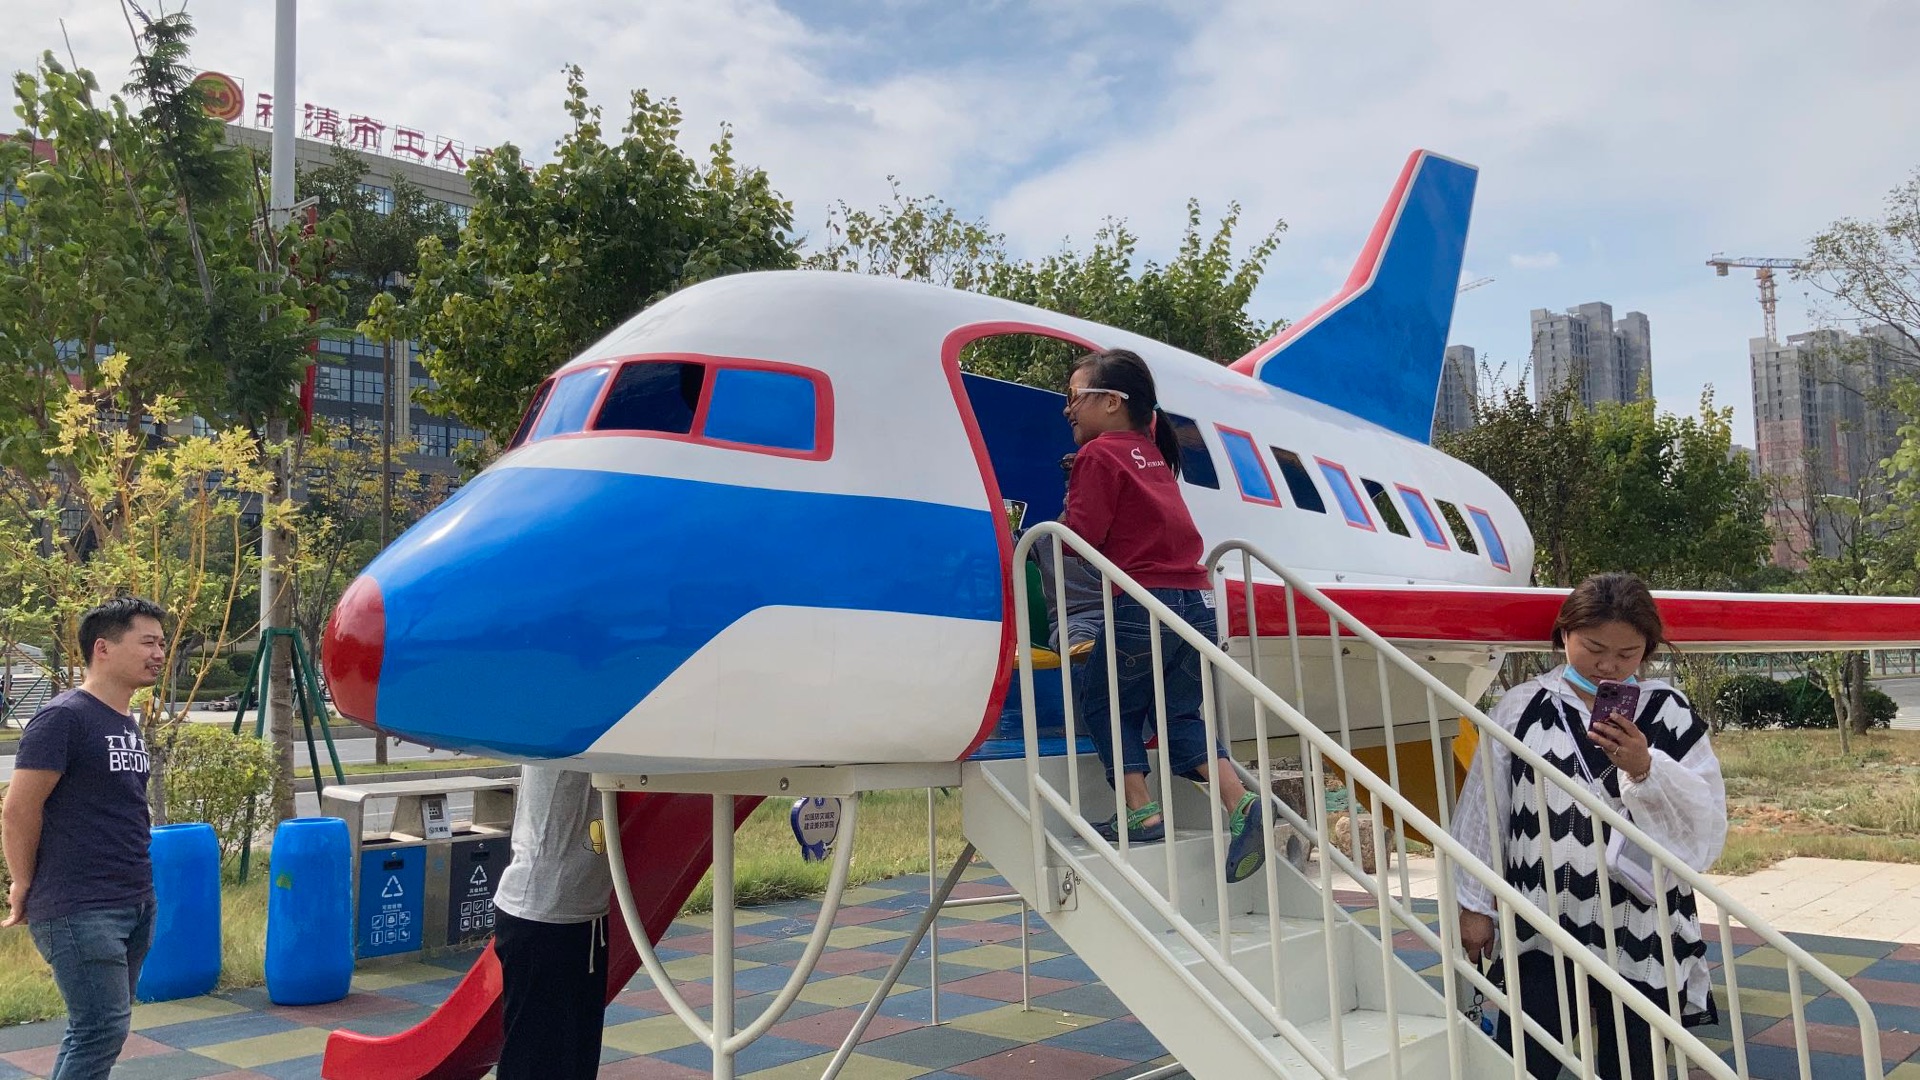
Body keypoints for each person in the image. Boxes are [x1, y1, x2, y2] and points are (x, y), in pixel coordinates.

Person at [1450, 572, 1725, 1080]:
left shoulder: (1669, 712)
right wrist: (1475, 905)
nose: (1608, 665)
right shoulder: (1523, 707)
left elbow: (1705, 819)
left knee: (1635, 1063)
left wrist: (1645, 767)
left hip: (1642, 925)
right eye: (1594, 648)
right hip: (1541, 922)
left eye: (1627, 653)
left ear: (1647, 650)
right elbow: (1485, 811)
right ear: (1564, 634)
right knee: (1525, 1058)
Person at [1060, 348, 1265, 883]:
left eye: (1074, 396)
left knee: (1105, 700)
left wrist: (1056, 522)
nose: (1068, 408)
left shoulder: (1098, 455)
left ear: (1111, 402)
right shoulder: (1150, 454)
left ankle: (1141, 810)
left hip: (1145, 601)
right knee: (1180, 716)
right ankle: (1240, 802)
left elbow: (1082, 537)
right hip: (1196, 602)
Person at [2, 597, 167, 1080]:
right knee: (99, 1029)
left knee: (102, 1029)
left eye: (162, 643)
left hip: (134, 899)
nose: (159, 654)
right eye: (147, 642)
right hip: (79, 906)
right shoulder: (65, 717)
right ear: (103, 648)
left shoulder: (124, 721)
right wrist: (22, 882)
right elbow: (18, 809)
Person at [491, 766, 613, 1080]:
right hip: (541, 914)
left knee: (575, 1063)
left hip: (587, 916)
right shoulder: (567, 739)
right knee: (536, 1064)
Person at [1033, 452, 1104, 652]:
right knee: (1077, 640)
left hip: (1125, 619)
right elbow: (998, 547)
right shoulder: (1043, 535)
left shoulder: (1128, 537)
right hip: (1076, 624)